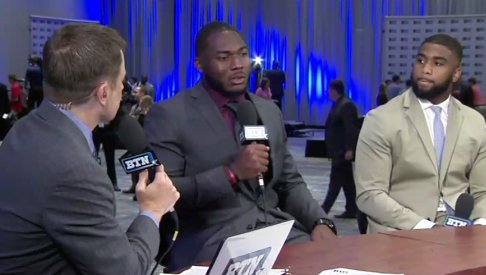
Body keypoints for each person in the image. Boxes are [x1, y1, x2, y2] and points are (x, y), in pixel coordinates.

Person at [144, 21, 336, 271]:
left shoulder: (268, 111)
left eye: (243, 54)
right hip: (210, 242)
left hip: (278, 234)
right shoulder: (169, 115)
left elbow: (289, 181)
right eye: (224, 57)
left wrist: (320, 220)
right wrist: (230, 173)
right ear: (200, 64)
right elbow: (163, 195)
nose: (238, 65)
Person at [0, 23, 179, 274]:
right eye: (122, 81)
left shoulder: (25, 127)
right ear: (104, 93)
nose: (123, 89)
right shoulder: (76, 172)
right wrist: (152, 211)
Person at [355, 33, 486, 233]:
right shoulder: (381, 119)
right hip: (400, 236)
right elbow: (369, 195)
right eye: (421, 60)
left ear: (456, 74)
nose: (425, 69)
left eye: (438, 63)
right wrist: (428, 229)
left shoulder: (474, 122)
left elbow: (484, 191)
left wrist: (479, 227)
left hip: (460, 239)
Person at [322, 79, 359, 219]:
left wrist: (350, 149)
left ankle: (324, 209)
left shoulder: (346, 106)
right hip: (338, 150)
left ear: (334, 90)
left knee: (335, 182)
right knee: (348, 182)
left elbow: (351, 129)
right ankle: (352, 209)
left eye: (329, 90)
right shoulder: (339, 104)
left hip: (342, 151)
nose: (328, 92)